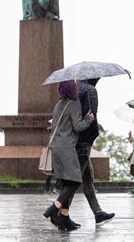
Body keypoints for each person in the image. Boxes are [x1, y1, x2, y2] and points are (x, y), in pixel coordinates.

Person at [43, 80, 94, 231]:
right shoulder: (74, 103)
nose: (77, 88)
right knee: (75, 181)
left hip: (56, 146)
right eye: (75, 86)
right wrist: (89, 118)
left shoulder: (59, 104)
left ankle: (64, 218)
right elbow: (78, 126)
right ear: (71, 89)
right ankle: (53, 208)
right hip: (66, 146)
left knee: (66, 182)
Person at [76, 79, 115, 226]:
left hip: (76, 137)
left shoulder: (75, 89)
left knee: (87, 177)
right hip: (84, 140)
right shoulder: (90, 90)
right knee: (74, 181)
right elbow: (91, 114)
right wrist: (92, 134)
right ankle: (57, 210)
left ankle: (98, 214)